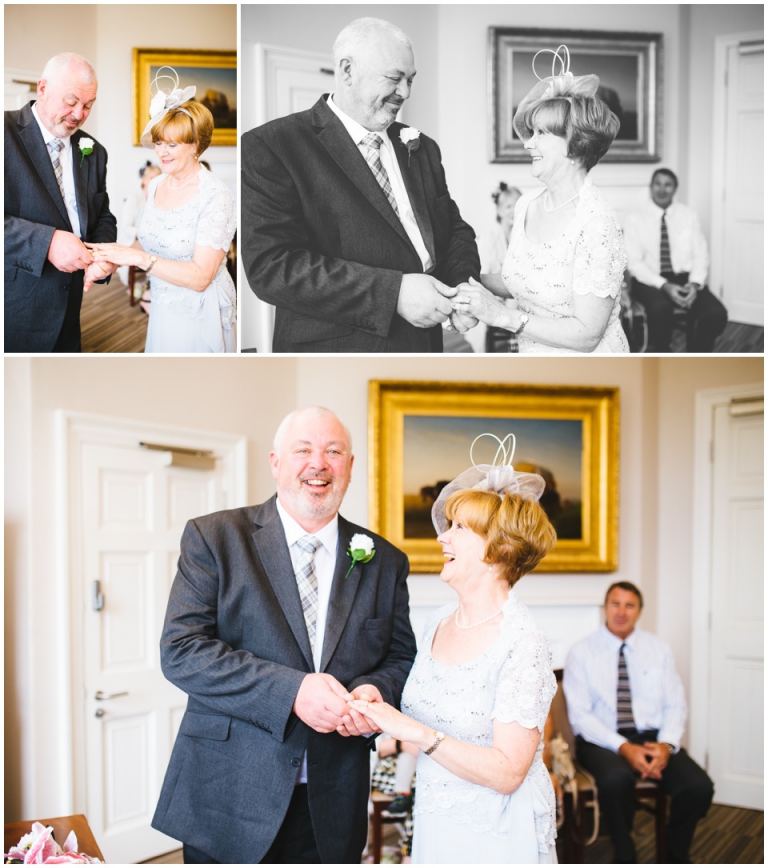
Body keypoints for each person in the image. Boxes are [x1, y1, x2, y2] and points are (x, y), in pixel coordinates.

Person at [151, 407, 417, 864]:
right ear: (276, 462)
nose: (319, 464)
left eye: (334, 452)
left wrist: (375, 691)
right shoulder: (215, 538)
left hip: (333, 801)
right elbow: (181, 651)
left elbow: (400, 658)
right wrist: (293, 692)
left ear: (350, 467)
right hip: (228, 793)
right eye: (303, 450)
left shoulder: (384, 560)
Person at [350, 434, 559, 863]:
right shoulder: (434, 625)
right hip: (436, 820)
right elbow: (423, 713)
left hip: (498, 829)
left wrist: (413, 733)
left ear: (498, 548)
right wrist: (377, 701)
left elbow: (507, 773)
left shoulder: (523, 642)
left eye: (460, 528)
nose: (443, 537)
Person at [241, 17, 480, 353]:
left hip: (425, 347)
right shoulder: (273, 146)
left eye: (410, 80)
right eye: (395, 78)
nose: (405, 93)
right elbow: (273, 267)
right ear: (348, 71)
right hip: (338, 351)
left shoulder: (422, 146)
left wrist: (463, 288)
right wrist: (393, 293)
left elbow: (454, 230)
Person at [452, 46, 629, 354]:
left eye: (542, 134)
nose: (528, 143)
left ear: (575, 146)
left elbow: (588, 335)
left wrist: (501, 315)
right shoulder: (526, 205)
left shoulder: (597, 223)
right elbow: (530, 284)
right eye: (531, 132)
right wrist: (466, 282)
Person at [564, 581, 714, 863]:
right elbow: (581, 717)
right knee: (615, 779)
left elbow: (675, 703)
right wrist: (624, 748)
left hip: (652, 737)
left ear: (640, 611)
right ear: (605, 608)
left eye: (629, 605)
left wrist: (666, 746)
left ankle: (673, 853)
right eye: (615, 604)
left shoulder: (659, 649)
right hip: (601, 740)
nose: (621, 612)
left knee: (698, 787)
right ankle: (625, 851)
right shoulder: (581, 652)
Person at [89, 68, 236, 353]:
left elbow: (200, 277)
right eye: (158, 143)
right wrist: (113, 259)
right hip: (163, 304)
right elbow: (148, 237)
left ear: (196, 145)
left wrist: (139, 258)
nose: (161, 152)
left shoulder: (216, 195)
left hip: (200, 313)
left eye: (172, 144)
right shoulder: (156, 184)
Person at [4, 52, 117, 352]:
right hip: (15, 306)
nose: (79, 114)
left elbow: (103, 215)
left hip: (70, 308)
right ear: (42, 89)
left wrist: (103, 253)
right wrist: (48, 243)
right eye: (71, 102)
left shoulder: (94, 151)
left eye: (88, 106)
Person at [624, 168, 728, 352]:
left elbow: (700, 253)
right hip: (649, 280)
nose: (662, 189)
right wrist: (664, 285)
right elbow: (634, 263)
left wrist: (695, 285)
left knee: (717, 314)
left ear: (675, 189)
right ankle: (663, 354)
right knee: (660, 310)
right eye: (657, 184)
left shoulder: (689, 215)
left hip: (684, 278)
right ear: (651, 187)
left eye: (668, 184)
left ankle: (697, 355)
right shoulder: (634, 219)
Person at [468, 183, 524, 353]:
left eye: (517, 205)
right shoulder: (489, 240)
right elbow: (480, 277)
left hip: (516, 303)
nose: (513, 210)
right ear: (499, 211)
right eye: (508, 206)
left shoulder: (524, 238)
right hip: (493, 299)